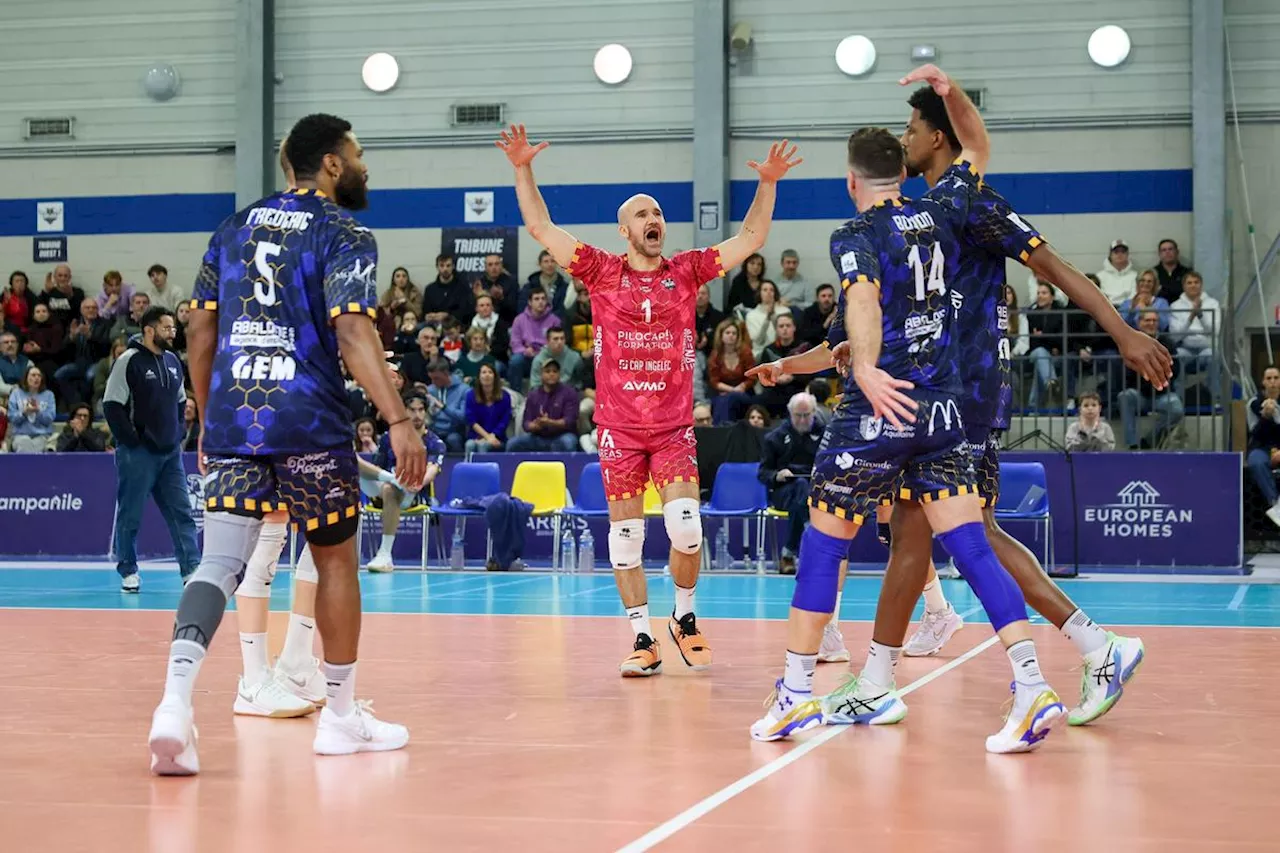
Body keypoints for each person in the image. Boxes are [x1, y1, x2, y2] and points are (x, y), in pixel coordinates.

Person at [815, 68, 1164, 730]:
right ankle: (880, 678)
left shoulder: (969, 201)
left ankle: (1095, 646)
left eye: (913, 128)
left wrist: (1122, 332)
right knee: (915, 533)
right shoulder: (920, 214)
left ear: (937, 136)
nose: (904, 137)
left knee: (965, 533)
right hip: (941, 394)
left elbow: (1055, 267)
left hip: (968, 394)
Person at [147, 113, 426, 776]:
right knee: (333, 563)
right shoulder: (344, 231)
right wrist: (397, 418)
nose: (364, 166)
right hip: (308, 420)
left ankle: (173, 704)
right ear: (331, 163)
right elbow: (354, 333)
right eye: (357, 154)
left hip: (237, 420)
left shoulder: (232, 227)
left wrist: (212, 419)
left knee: (218, 565)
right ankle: (339, 715)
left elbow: (199, 334)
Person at [499, 122, 801, 676]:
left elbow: (751, 240)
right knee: (626, 539)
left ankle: (683, 619)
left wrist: (769, 184)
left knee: (687, 525)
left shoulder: (685, 272)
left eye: (658, 213)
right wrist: (523, 167)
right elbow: (540, 225)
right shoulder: (600, 270)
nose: (653, 220)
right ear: (624, 230)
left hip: (671, 425)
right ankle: (642, 637)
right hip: (619, 427)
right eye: (642, 214)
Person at [102, 307, 199, 590]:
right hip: (138, 454)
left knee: (181, 512)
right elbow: (111, 405)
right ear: (149, 330)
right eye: (167, 328)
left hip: (171, 454)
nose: (173, 333)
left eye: (173, 328)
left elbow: (181, 401)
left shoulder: (172, 360)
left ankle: (191, 568)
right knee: (131, 514)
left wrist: (178, 432)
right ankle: (128, 570)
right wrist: (132, 440)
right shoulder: (128, 361)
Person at [364, 396, 446, 572]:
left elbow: (431, 471)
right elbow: (376, 467)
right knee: (357, 470)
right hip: (386, 485)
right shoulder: (388, 438)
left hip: (415, 494)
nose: (417, 415)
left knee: (389, 489)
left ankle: (385, 555)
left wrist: (416, 482)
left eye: (420, 410)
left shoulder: (434, 442)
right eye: (412, 410)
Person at [757, 393, 823, 573]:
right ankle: (812, 533)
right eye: (798, 415)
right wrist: (777, 475)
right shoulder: (775, 437)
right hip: (783, 491)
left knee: (800, 498)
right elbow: (763, 473)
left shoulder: (825, 434)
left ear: (814, 412)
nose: (802, 420)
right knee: (800, 487)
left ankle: (788, 554)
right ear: (790, 413)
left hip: (816, 491)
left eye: (806, 415)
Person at [507, 359, 580, 452]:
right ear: (541, 374)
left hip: (562, 435)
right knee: (513, 444)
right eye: (547, 371)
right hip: (538, 436)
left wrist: (550, 422)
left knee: (567, 443)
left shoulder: (570, 393)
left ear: (559, 374)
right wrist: (533, 426)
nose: (551, 374)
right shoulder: (533, 395)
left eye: (555, 371)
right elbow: (526, 422)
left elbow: (569, 421)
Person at [1247, 366, 1280, 528]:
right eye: (1269, 379)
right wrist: (1265, 417)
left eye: (1276, 378)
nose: (1273, 382)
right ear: (1263, 382)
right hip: (1262, 448)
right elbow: (1255, 433)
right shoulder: (1254, 403)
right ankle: (1276, 504)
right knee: (1255, 462)